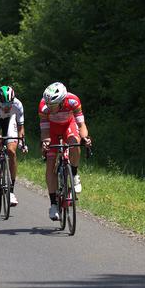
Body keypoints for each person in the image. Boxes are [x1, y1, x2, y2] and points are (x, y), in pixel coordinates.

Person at [39, 82, 92, 221]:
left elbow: (81, 124)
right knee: (50, 162)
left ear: (62, 101)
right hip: (52, 130)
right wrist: (45, 142)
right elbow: (44, 130)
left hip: (69, 125)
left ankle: (74, 174)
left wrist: (85, 138)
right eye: (49, 105)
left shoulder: (73, 101)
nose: (50, 108)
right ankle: (53, 205)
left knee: (75, 143)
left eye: (54, 105)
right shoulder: (43, 106)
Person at [0, 85, 27, 206]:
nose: (7, 107)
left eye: (9, 104)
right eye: (4, 105)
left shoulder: (17, 105)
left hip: (10, 120)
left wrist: (22, 143)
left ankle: (11, 191)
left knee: (12, 152)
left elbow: (20, 126)